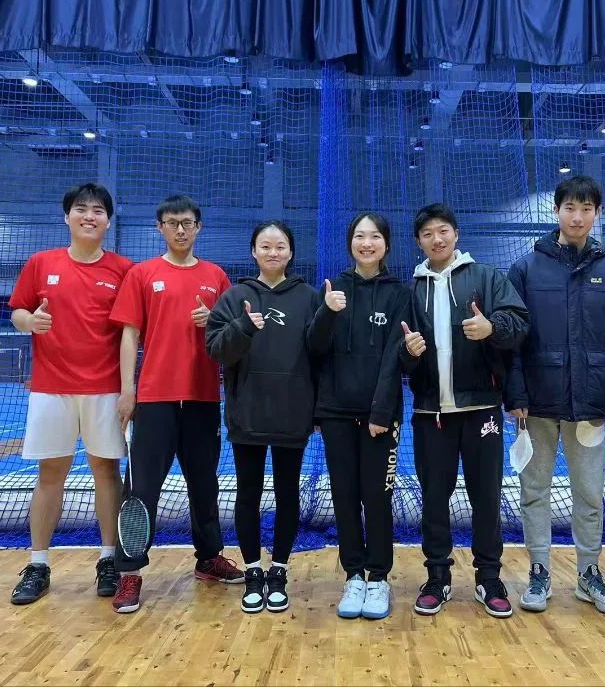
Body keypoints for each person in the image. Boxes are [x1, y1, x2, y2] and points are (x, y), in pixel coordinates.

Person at [109, 195, 244, 614]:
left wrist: (215, 320)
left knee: (204, 485)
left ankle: (208, 558)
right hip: (155, 399)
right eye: (172, 223)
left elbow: (232, 334)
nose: (180, 229)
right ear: (160, 228)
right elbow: (129, 334)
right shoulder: (142, 274)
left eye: (187, 222)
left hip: (202, 398)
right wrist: (127, 390)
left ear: (198, 227)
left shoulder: (216, 276)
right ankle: (129, 571)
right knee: (141, 489)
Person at [505, 176, 605, 616]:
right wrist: (516, 393)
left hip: (590, 405)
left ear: (598, 213)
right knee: (534, 490)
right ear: (556, 210)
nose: (578, 217)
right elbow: (513, 339)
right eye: (570, 208)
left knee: (590, 493)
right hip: (537, 405)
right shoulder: (525, 269)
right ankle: (539, 571)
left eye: (586, 208)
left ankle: (588, 574)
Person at [399, 203, 529, 619]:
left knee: (486, 497)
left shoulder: (487, 277)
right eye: (427, 234)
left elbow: (518, 323)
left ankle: (489, 577)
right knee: (434, 498)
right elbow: (399, 355)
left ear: (456, 234)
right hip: (430, 413)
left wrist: (492, 328)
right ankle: (437, 576)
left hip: (482, 409)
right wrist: (409, 353)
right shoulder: (411, 290)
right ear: (418, 242)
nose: (436, 239)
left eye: (443, 231)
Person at [8, 183, 133, 606]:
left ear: (108, 221)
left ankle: (108, 559)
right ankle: (38, 564)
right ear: (67, 217)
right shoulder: (41, 263)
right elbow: (18, 311)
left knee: (106, 471)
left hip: (105, 389)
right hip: (51, 389)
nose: (89, 216)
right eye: (81, 209)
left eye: (98, 210)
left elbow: (132, 331)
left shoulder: (124, 269)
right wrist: (29, 322)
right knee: (50, 474)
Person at [206, 220, 320, 614]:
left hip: (292, 414)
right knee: (248, 493)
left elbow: (321, 355)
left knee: (288, 494)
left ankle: (280, 571)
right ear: (253, 251)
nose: (273, 252)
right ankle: (254, 570)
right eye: (265, 246)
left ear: (291, 252)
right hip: (248, 414)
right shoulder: (234, 297)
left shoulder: (309, 298)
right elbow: (216, 350)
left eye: (280, 246)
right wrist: (242, 326)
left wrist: (316, 409)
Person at [308, 212, 409, 620]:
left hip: (379, 417)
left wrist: (381, 411)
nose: (367, 243)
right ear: (350, 242)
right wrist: (327, 311)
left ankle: (379, 577)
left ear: (386, 244)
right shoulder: (333, 289)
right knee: (344, 497)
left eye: (374, 237)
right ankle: (353, 575)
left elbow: (395, 357)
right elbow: (314, 349)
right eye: (360, 236)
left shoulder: (399, 293)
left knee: (377, 497)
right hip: (336, 413)